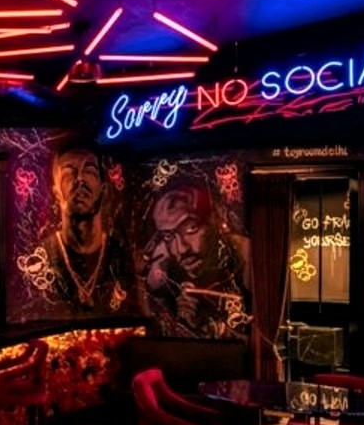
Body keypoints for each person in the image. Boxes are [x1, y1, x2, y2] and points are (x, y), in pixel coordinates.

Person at [142, 183, 250, 338]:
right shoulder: (163, 272)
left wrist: (208, 325)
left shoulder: (243, 254)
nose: (181, 249)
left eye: (191, 228)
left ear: (214, 221)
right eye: (169, 236)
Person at [41, 144, 133, 313]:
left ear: (102, 189)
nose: (80, 179)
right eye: (68, 173)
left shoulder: (120, 257)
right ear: (56, 192)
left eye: (89, 171)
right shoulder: (43, 256)